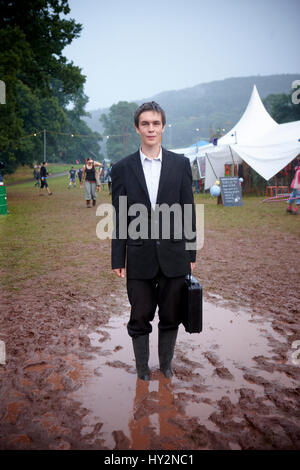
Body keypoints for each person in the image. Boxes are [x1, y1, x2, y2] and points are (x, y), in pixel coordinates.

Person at [111, 101, 196, 381]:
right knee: (140, 316)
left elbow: (188, 211)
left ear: (163, 126)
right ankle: (142, 369)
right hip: (138, 256)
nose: (151, 128)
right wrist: (117, 258)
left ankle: (167, 365)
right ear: (137, 128)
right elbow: (120, 215)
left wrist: (191, 254)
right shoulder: (122, 168)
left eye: (155, 123)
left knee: (171, 315)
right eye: (145, 123)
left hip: (174, 255)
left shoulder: (181, 164)